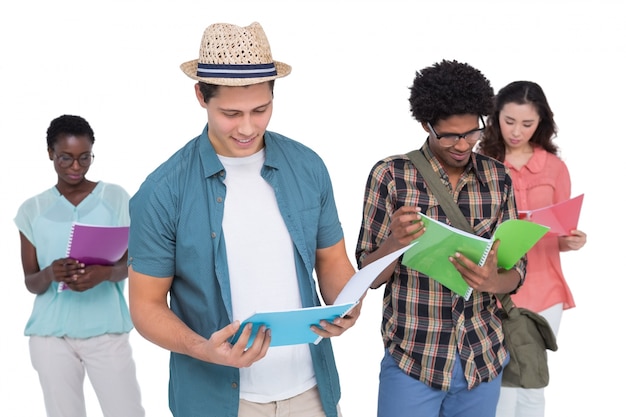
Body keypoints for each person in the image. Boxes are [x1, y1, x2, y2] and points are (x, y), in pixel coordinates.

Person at [127, 21, 360, 417]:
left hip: (312, 395)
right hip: (217, 402)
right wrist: (203, 349)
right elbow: (145, 306)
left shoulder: (308, 166)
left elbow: (333, 262)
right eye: (231, 113)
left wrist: (347, 305)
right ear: (201, 95)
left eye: (261, 109)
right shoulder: (162, 191)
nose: (248, 127)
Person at [355, 59, 525, 417]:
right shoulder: (390, 175)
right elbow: (366, 278)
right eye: (449, 135)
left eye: (472, 132)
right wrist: (393, 245)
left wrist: (494, 280)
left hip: (483, 359)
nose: (463, 145)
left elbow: (516, 272)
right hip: (414, 361)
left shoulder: (498, 178)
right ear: (426, 124)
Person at [14, 114, 144, 417]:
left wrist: (106, 274)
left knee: (127, 411)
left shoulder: (116, 198)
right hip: (50, 336)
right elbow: (30, 281)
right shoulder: (31, 210)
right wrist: (50, 273)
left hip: (107, 333)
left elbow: (136, 262)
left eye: (84, 158)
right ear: (50, 154)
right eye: (66, 158)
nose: (76, 167)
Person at [477, 80, 587, 417]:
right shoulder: (481, 162)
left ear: (542, 123)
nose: (516, 131)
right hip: (495, 287)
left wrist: (571, 241)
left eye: (527, 124)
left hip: (544, 289)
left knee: (531, 379)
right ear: (496, 118)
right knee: (500, 382)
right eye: (509, 121)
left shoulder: (555, 168)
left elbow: (560, 230)